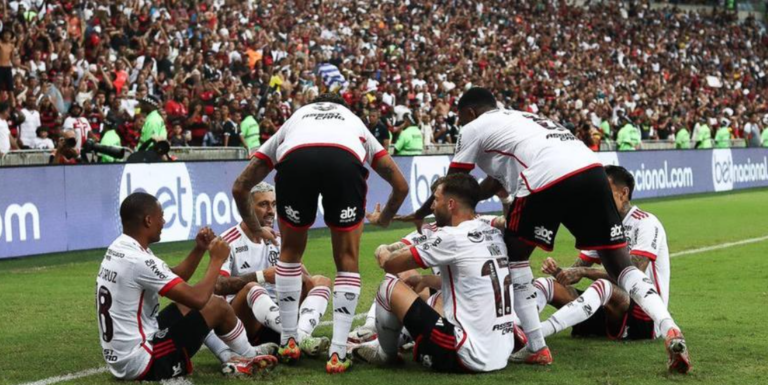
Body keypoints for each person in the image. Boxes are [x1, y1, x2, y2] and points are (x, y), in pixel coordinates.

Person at [400, 88, 690, 373]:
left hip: (545, 176)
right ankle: (670, 328)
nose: (461, 124)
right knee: (622, 267)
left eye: (462, 118)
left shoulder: (474, 126)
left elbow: (455, 182)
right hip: (592, 170)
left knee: (515, 258)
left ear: (470, 112)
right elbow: (486, 185)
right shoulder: (522, 118)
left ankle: (537, 346)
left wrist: (421, 212)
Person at [232, 93, 409, 373]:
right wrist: (385, 218)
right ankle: (338, 354)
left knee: (290, 253)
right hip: (344, 162)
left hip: (295, 160)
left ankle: (289, 341)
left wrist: (256, 229)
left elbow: (240, 186)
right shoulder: (354, 122)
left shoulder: (294, 121)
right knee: (347, 259)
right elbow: (400, 185)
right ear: (342, 108)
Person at [96, 193, 277, 381]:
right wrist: (216, 260)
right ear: (148, 220)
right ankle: (249, 355)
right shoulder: (137, 260)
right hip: (141, 360)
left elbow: (174, 276)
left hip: (123, 352)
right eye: (161, 216)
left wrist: (199, 249)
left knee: (186, 305)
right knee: (216, 306)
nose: (164, 221)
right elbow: (198, 299)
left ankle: (233, 355)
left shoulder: (121, 248)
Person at [353, 174, 517, 373]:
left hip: (467, 355)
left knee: (389, 285)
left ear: (450, 204)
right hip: (501, 352)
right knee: (435, 298)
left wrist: (382, 250)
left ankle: (385, 353)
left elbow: (390, 265)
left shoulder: (451, 236)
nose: (431, 206)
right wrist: (425, 278)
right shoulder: (492, 230)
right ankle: (401, 337)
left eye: (436, 200)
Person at [526, 166, 671, 342]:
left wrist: (585, 272)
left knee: (603, 286)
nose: (599, 197)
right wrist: (559, 271)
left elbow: (635, 272)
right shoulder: (603, 226)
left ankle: (537, 334)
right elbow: (576, 272)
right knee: (546, 284)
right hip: (609, 309)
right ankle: (519, 329)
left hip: (643, 314)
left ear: (623, 193)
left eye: (605, 191)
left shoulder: (646, 223)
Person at [206, 182, 332, 363]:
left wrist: (300, 276)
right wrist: (262, 275)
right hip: (246, 324)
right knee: (253, 287)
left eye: (273, 204)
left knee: (321, 281)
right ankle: (299, 339)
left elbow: (307, 279)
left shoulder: (279, 239)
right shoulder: (228, 241)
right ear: (248, 208)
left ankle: (296, 338)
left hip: (281, 316)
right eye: (263, 204)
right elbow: (216, 286)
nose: (271, 210)